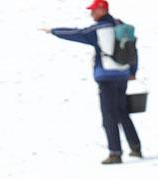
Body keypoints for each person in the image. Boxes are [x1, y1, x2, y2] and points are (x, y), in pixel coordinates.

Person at [42, 0, 142, 165]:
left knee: (109, 116)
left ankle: (115, 153)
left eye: (94, 10)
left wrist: (54, 31)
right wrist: (132, 71)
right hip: (123, 75)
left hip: (107, 78)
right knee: (122, 112)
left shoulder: (100, 29)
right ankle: (136, 147)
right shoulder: (121, 26)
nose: (91, 13)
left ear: (102, 10)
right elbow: (133, 50)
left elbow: (77, 33)